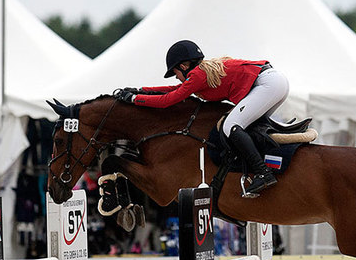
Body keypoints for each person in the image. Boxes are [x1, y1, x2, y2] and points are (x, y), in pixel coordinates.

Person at [114, 40, 290, 197]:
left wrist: (134, 99)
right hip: (274, 82)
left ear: (183, 66)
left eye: (175, 72)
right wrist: (141, 90)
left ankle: (263, 173)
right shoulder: (201, 72)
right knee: (249, 127)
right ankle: (267, 166)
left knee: (231, 126)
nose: (176, 77)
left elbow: (168, 100)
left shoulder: (198, 75)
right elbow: (173, 89)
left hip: (268, 84)